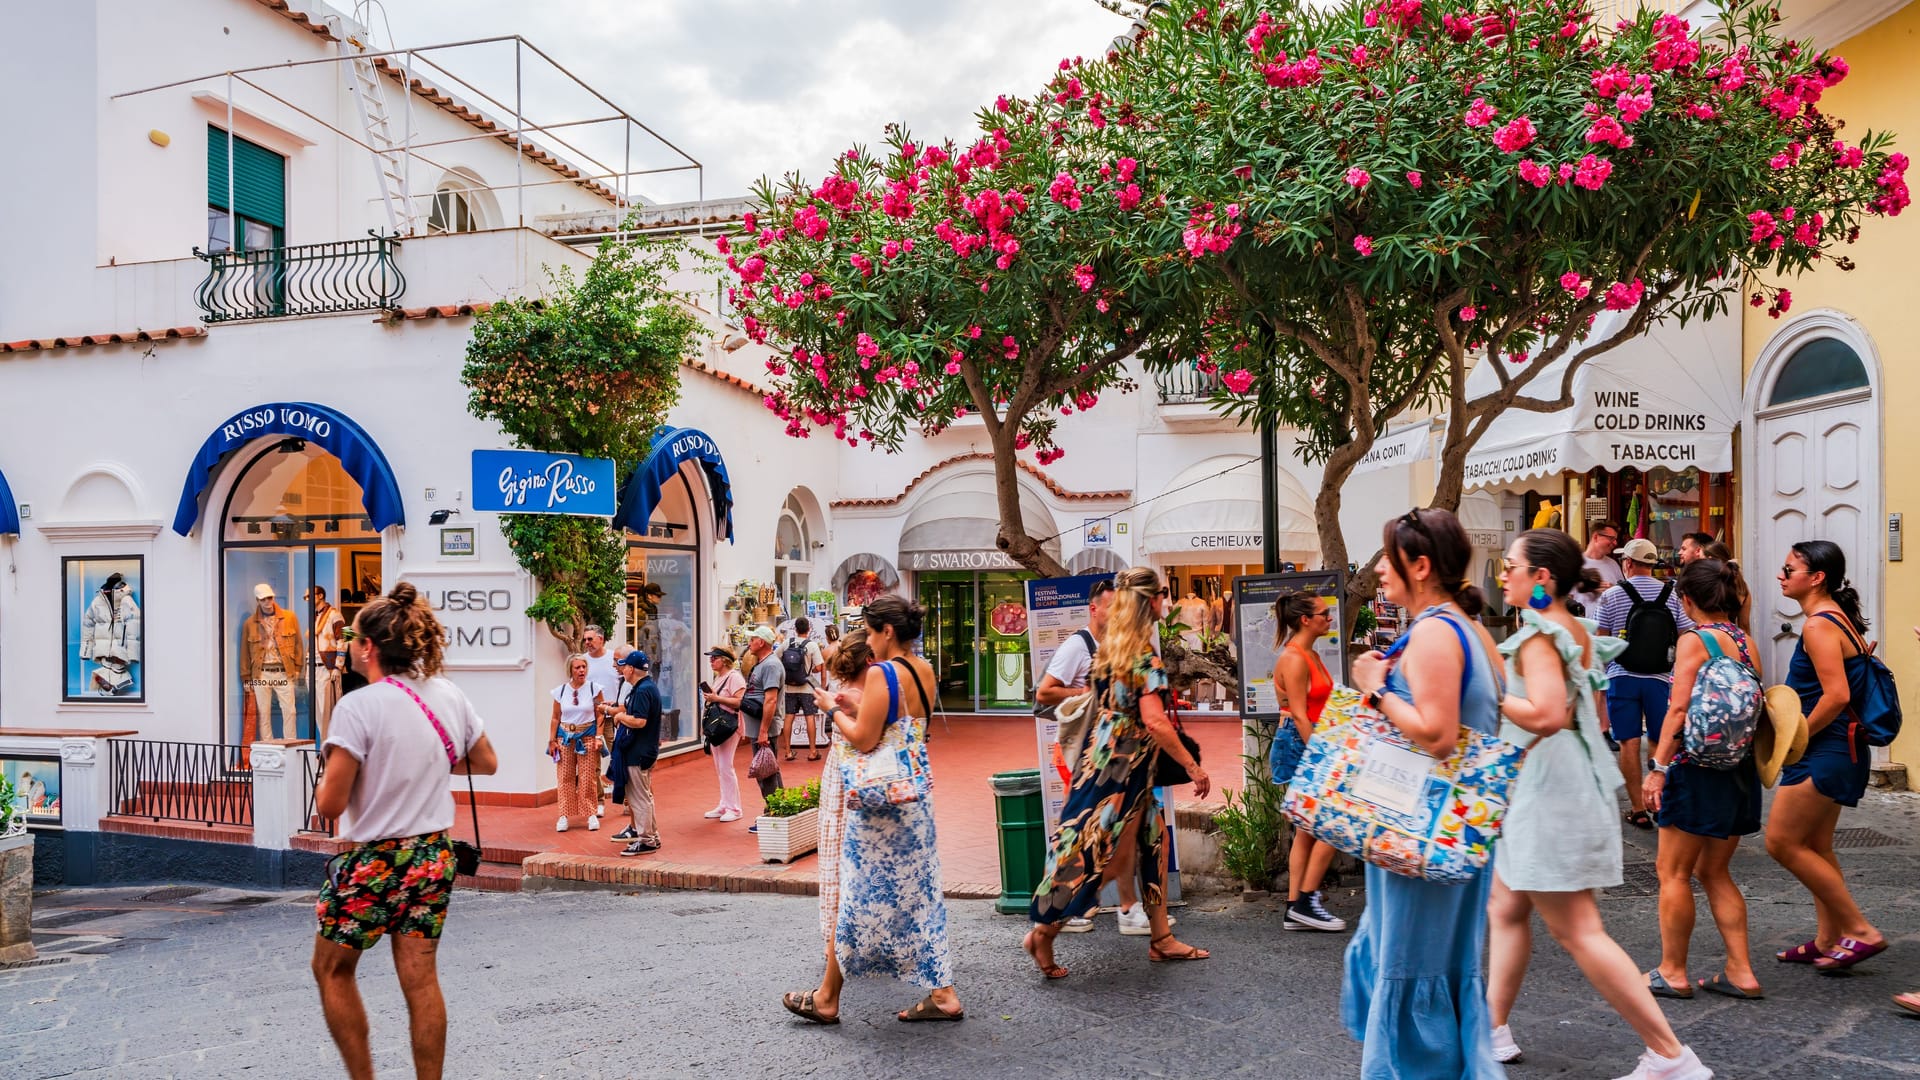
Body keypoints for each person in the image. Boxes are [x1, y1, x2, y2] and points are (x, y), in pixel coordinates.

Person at [1485, 529, 1712, 1079]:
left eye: (1511, 566)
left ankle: (1670, 1055)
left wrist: (1489, 688)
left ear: (1542, 578)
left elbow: (1546, 715)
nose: (1504, 575)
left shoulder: (1542, 635)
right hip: (1556, 786)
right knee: (1507, 909)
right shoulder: (1569, 628)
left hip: (1548, 792)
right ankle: (1489, 1031)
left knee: (1579, 930)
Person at [311, 582, 499, 1080]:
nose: (349, 645)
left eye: (353, 638)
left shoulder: (358, 707)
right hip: (434, 856)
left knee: (331, 968)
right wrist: (424, 762)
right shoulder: (448, 695)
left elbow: (330, 802)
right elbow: (486, 761)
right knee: (420, 981)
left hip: (378, 858)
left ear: (369, 647)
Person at [1341, 509, 1503, 1079]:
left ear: (1422, 565)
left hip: (1422, 834)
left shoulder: (1436, 631)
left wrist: (1376, 687)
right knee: (1424, 960)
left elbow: (1437, 734)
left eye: (1391, 557)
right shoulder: (1459, 626)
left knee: (1412, 962)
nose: (1381, 569)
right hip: (1439, 828)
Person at [783, 597, 965, 1024]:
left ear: (886, 631)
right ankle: (943, 993)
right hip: (914, 803)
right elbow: (895, 723)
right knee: (920, 899)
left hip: (880, 810)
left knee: (854, 896)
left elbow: (865, 740)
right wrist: (853, 707)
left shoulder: (885, 672)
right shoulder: (923, 670)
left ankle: (827, 998)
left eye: (869, 630)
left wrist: (831, 709)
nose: (868, 640)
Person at [1025, 567, 1211, 979]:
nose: (1168, 600)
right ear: (1149, 602)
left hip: (1109, 759)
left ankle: (1161, 938)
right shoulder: (1145, 656)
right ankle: (1044, 931)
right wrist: (1192, 765)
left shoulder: (1110, 646)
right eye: (1163, 594)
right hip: (1122, 769)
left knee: (1153, 839)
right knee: (1101, 857)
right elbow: (1156, 722)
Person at [1643, 559, 1764, 1002]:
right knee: (1714, 870)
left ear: (1687, 599)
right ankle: (1742, 970)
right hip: (1739, 768)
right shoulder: (1746, 641)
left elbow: (1677, 710)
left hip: (1696, 766)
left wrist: (1657, 767)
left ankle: (1672, 970)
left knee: (1671, 871)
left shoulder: (1694, 640)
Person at [1766, 540, 1888, 972]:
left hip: (1828, 748)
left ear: (1816, 578)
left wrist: (1794, 740)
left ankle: (1859, 929)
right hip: (1839, 748)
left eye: (1788, 569)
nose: (1780, 576)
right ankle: (1828, 936)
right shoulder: (1835, 617)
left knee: (1780, 842)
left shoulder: (1819, 625)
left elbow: (1836, 696)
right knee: (1815, 845)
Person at [1034, 579, 1147, 934]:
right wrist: (1084, 690)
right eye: (1111, 607)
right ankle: (1059, 910)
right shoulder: (1077, 646)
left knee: (1118, 829)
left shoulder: (1120, 647)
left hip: (1107, 753)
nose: (1117, 614)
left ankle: (1119, 907)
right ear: (1094, 608)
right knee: (1082, 833)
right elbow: (1044, 692)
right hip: (1082, 755)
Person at [1593, 537, 1695, 830]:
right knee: (1658, 739)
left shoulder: (1612, 595)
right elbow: (1686, 634)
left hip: (1621, 675)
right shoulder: (1672, 594)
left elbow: (1602, 640)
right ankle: (1658, 802)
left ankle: (1637, 808)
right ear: (1652, 564)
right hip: (1660, 677)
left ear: (1627, 563)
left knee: (1628, 741)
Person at [1268, 591, 1345, 933]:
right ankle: (1302, 902)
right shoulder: (1296, 658)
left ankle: (1296, 905)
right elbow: (1299, 715)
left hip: (1311, 739)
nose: (1330, 619)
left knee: (1309, 828)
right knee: (1326, 823)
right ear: (1305, 619)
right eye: (1325, 614)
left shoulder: (1311, 653)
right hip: (1301, 742)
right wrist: (1322, 755)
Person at [707, 627, 785, 823]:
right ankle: (778, 812)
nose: (749, 642)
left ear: (763, 642)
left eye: (753, 639)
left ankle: (773, 816)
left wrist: (764, 731)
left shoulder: (771, 666)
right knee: (767, 771)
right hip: (758, 728)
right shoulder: (762, 664)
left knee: (766, 773)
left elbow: (771, 700)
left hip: (763, 729)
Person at [607, 649, 663, 856]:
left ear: (631, 669)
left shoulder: (641, 690)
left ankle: (646, 840)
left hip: (638, 752)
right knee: (644, 796)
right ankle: (652, 836)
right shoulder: (647, 687)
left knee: (639, 798)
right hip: (643, 750)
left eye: (624, 667)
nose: (622, 670)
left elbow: (640, 721)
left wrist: (621, 717)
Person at [547, 655, 605, 833]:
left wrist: (598, 737)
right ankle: (564, 815)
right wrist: (552, 740)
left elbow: (600, 714)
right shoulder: (561, 691)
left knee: (588, 777)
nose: (581, 671)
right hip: (565, 737)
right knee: (565, 777)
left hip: (587, 735)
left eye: (583, 667)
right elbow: (555, 717)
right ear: (570, 670)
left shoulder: (595, 689)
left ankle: (591, 814)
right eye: (577, 668)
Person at [243, 583, 304, 740]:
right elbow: (244, 652)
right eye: (263, 599)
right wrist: (246, 677)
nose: (267, 602)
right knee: (264, 713)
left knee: (290, 711)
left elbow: (298, 643)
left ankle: (290, 746)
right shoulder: (250, 623)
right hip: (261, 674)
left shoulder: (289, 617)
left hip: (284, 672)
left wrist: (298, 668)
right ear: (258, 600)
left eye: (270, 598)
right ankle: (269, 748)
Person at [701, 646, 747, 822]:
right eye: (711, 658)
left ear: (725, 660)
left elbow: (739, 702)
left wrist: (717, 698)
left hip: (728, 725)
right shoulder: (719, 677)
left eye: (715, 658)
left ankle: (734, 808)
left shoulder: (734, 677)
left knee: (726, 766)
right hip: (717, 725)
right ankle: (725, 804)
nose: (711, 661)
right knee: (720, 767)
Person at [780, 616, 827, 763]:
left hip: (789, 687)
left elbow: (777, 659)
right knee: (809, 717)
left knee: (789, 717)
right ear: (809, 629)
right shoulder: (812, 645)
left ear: (795, 629)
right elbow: (819, 667)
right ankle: (813, 751)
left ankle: (788, 751)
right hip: (806, 687)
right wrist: (810, 668)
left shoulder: (787, 642)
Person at [1572, 521, 1625, 611]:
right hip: (1583, 622)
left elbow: (1623, 594)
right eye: (1611, 538)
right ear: (1596, 537)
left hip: (1607, 623)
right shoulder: (1575, 563)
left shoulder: (1613, 564)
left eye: (1616, 539)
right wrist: (1587, 587)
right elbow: (1565, 596)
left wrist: (1613, 590)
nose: (1615, 543)